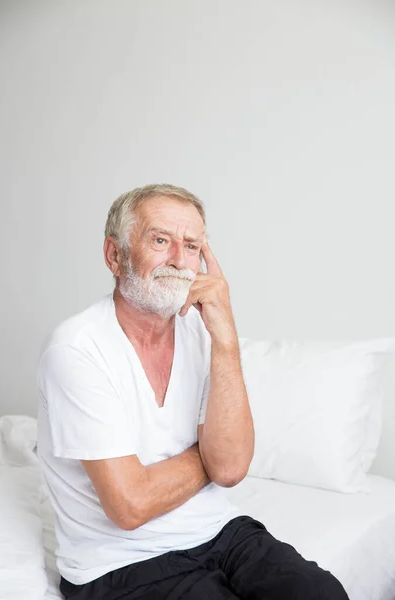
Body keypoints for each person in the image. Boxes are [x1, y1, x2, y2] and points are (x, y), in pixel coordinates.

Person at [37, 183, 349, 600]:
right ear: (115, 255)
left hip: (220, 533)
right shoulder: (76, 348)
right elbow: (130, 506)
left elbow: (233, 469)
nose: (178, 261)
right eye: (160, 240)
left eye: (191, 246)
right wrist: (209, 455)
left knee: (323, 594)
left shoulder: (203, 333)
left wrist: (226, 339)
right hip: (120, 563)